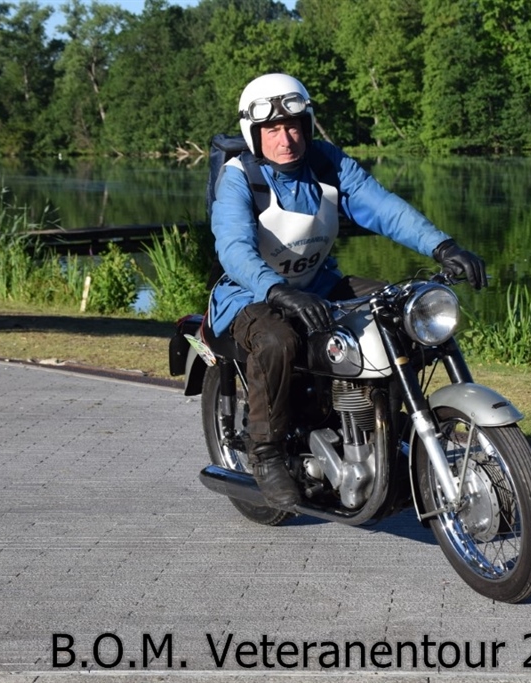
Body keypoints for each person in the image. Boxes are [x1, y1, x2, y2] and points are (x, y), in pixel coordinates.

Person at [208, 72, 486, 508]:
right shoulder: (239, 177)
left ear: (307, 125)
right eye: (273, 130)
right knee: (277, 340)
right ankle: (266, 452)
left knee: (403, 313)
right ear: (254, 133)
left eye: (293, 126)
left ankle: (384, 424)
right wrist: (277, 290)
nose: (286, 139)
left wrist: (443, 246)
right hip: (252, 293)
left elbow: (382, 206)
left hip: (319, 283)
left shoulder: (326, 163)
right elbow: (233, 247)